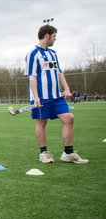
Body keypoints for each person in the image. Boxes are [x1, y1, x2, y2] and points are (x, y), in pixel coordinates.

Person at [24, 25, 89, 164]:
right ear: (47, 36)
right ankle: (44, 153)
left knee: (69, 118)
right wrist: (36, 97)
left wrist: (66, 89)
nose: (55, 39)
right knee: (41, 122)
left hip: (56, 96)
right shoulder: (33, 54)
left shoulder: (53, 53)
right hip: (41, 97)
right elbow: (32, 77)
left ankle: (68, 153)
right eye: (54, 36)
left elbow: (59, 72)